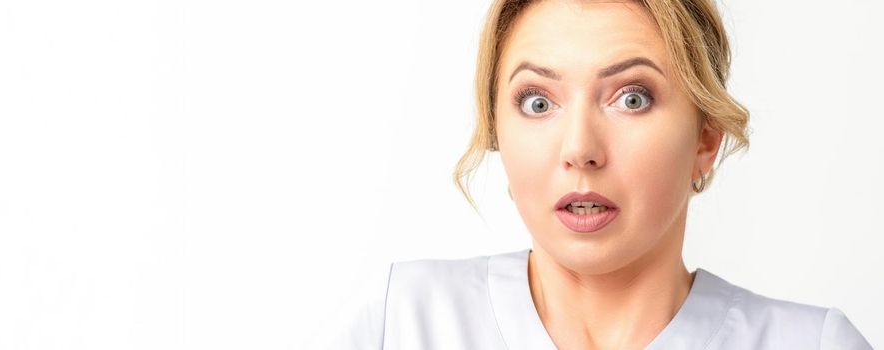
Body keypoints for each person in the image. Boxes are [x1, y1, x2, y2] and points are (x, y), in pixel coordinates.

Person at [335, 0, 873, 348]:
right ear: (498, 129)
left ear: (705, 139)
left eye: (631, 98)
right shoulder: (402, 323)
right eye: (538, 103)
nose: (579, 150)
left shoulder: (812, 344)